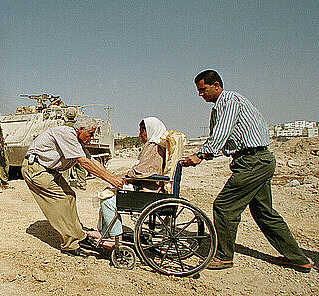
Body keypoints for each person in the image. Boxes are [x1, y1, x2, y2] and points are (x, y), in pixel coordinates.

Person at [183, 69, 313, 272]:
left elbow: (221, 133)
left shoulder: (229, 101)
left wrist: (201, 155)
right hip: (257, 160)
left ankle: (224, 256)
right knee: (264, 212)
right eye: (199, 91)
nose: (201, 94)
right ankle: (298, 259)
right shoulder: (223, 104)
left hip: (253, 161)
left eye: (203, 89)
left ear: (216, 85)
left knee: (224, 206)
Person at [22, 116, 124, 257]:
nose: (92, 137)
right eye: (90, 134)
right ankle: (69, 244)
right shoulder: (67, 134)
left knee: (70, 196)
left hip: (50, 170)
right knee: (61, 201)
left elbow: (92, 160)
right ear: (81, 129)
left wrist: (113, 177)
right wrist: (110, 179)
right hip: (36, 169)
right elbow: (85, 163)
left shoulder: (78, 141)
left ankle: (80, 236)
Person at [88, 117, 167, 249]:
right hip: (146, 185)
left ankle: (114, 238)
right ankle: (105, 232)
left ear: (150, 131)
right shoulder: (157, 145)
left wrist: (127, 177)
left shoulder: (153, 146)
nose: (139, 135)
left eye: (142, 131)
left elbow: (144, 171)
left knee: (108, 200)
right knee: (107, 192)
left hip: (147, 189)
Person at [61, 107, 87, 190]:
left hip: (66, 150)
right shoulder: (78, 126)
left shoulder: (63, 126)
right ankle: (82, 184)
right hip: (77, 149)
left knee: (65, 168)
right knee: (80, 167)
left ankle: (65, 184)